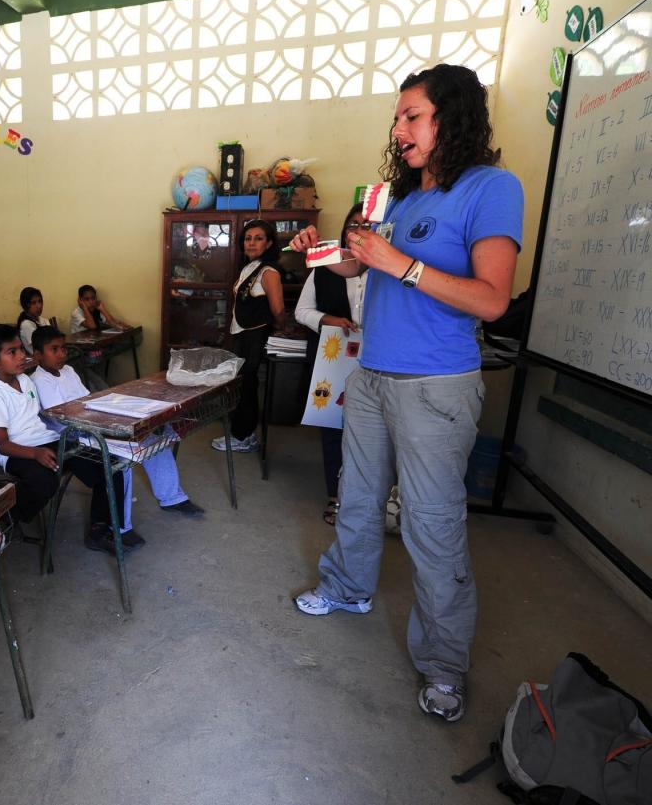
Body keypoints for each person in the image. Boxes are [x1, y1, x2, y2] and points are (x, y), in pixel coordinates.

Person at [291, 64, 522, 724]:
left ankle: (444, 662)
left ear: (452, 118)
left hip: (436, 387)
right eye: (398, 117)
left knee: (430, 522)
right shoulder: (393, 196)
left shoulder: (491, 188)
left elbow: (493, 297)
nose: (399, 128)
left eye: (412, 116)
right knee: (357, 498)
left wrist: (406, 266)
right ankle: (347, 588)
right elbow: (356, 262)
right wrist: (319, 252)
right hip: (373, 375)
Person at [0, 324, 130, 555]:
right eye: (12, 352)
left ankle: (99, 529)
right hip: (18, 452)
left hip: (48, 441)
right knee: (46, 482)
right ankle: (9, 518)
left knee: (109, 465)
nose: (21, 356)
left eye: (20, 349)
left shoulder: (25, 381)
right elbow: (1, 444)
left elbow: (38, 419)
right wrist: (35, 453)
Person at [30, 325, 203, 523]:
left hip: (92, 423)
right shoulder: (39, 380)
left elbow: (87, 399)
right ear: (37, 355)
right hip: (74, 435)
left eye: (63, 348)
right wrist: (107, 423)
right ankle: (120, 526)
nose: (62, 354)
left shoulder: (68, 370)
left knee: (155, 439)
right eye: (54, 349)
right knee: (122, 458)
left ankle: (172, 497)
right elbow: (64, 416)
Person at [294, 204, 368, 525]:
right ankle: (336, 496)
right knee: (333, 428)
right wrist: (330, 319)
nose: (358, 230)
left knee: (369, 431)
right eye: (353, 224)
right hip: (335, 357)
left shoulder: (386, 268)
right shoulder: (325, 266)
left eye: (367, 225)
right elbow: (302, 312)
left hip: (375, 358)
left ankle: (368, 500)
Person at [211, 219, 286, 454]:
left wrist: (283, 328)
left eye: (258, 238)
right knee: (242, 385)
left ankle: (243, 437)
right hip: (241, 334)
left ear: (269, 243)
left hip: (255, 336)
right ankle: (243, 433)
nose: (251, 243)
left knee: (247, 385)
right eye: (247, 238)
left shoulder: (268, 271)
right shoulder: (249, 267)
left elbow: (278, 310)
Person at [16, 286, 50, 354]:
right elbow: (40, 348)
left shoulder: (43, 320)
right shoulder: (26, 324)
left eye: (40, 301)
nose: (39, 306)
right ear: (26, 305)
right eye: (33, 303)